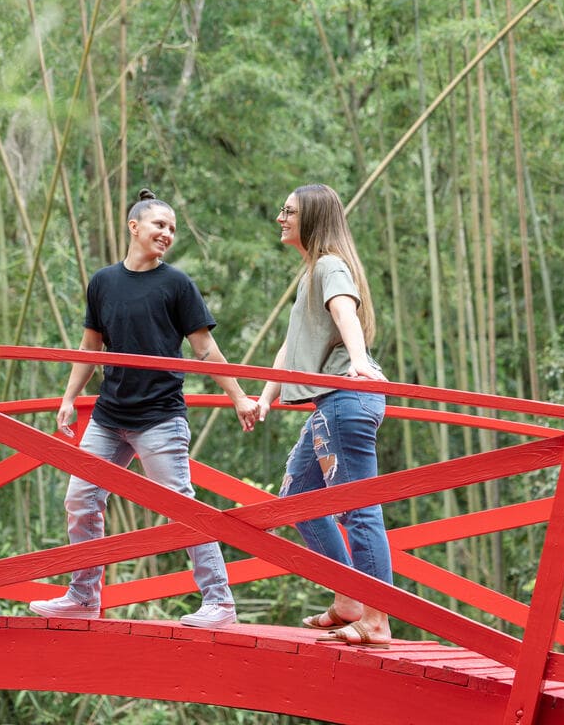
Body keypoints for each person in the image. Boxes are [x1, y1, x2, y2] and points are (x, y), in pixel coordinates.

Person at [29, 188, 259, 628]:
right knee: (80, 498)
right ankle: (83, 597)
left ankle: (220, 602)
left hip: (159, 415)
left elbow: (206, 348)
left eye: (172, 228)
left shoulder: (176, 284)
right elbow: (90, 346)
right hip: (109, 414)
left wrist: (238, 396)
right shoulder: (103, 282)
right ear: (134, 227)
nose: (167, 233)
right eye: (159, 225)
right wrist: (68, 397)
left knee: (180, 506)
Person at [254, 183, 393, 647]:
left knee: (358, 507)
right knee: (298, 497)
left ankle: (376, 618)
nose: (281, 217)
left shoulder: (330, 265)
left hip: (346, 397)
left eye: (290, 211)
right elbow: (290, 347)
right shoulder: (312, 271)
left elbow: (345, 311)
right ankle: (350, 600)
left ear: (313, 218)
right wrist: (265, 397)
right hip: (331, 402)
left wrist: (357, 361)